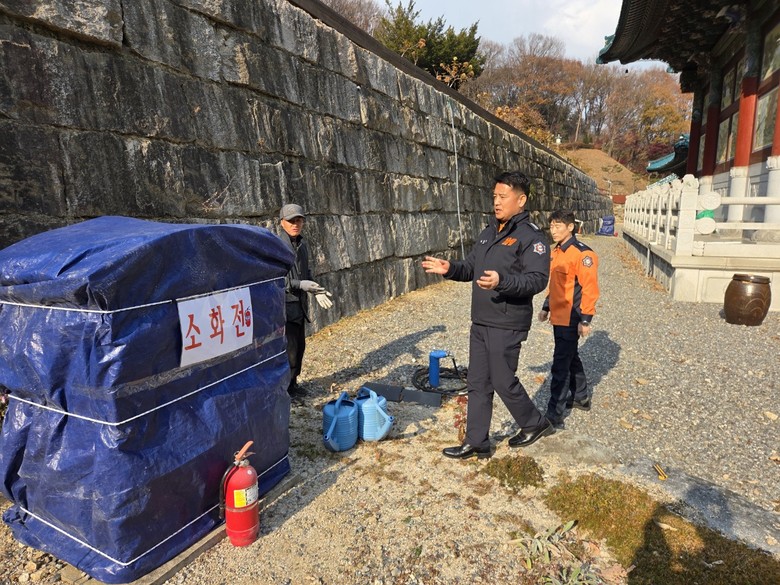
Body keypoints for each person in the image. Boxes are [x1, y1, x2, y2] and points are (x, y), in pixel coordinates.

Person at [422, 171, 553, 459]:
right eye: (494, 196)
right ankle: (476, 441)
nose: (496, 202)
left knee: (503, 380)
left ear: (521, 200)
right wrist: (450, 268)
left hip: (507, 321)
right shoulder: (488, 232)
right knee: (478, 382)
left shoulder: (531, 237)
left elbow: (537, 280)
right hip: (481, 320)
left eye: (503, 197)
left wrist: (502, 282)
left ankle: (534, 423)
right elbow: (471, 268)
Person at [539, 210, 600, 427]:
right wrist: (546, 307)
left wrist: (585, 320)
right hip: (557, 314)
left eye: (558, 226)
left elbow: (590, 289)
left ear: (571, 227)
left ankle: (554, 413)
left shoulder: (583, 254)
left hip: (571, 316)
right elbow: (555, 284)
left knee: (560, 365)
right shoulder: (556, 251)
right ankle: (581, 396)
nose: (553, 231)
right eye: (551, 226)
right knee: (570, 356)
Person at [279, 203, 333, 399]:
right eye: (291, 221)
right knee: (289, 349)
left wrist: (315, 289)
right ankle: (285, 390)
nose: (296, 224)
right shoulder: (277, 245)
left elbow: (305, 271)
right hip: (284, 306)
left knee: (299, 347)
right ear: (282, 222)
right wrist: (300, 284)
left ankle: (293, 384)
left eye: (299, 220)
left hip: (299, 305)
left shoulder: (302, 245)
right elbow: (277, 280)